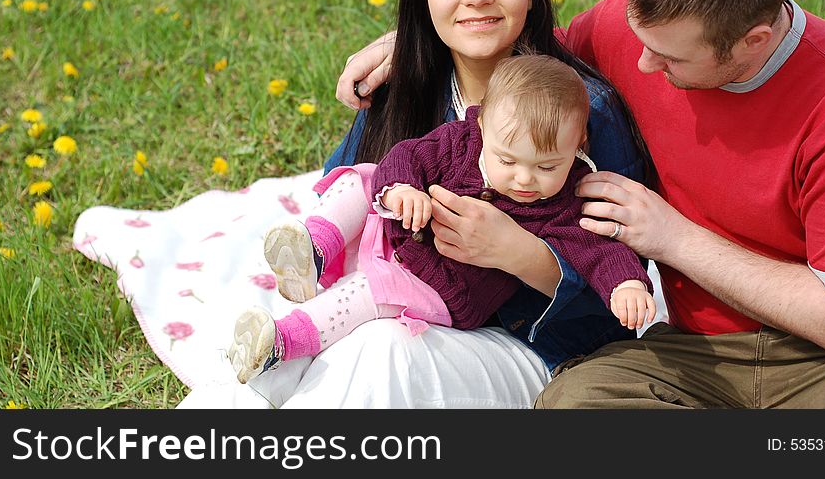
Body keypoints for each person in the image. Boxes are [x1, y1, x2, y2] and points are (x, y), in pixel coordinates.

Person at [342, 0, 825, 408]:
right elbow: (542, 67)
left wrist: (672, 236)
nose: (640, 63)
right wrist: (415, 40)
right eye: (638, 39)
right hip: (692, 349)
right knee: (574, 405)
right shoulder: (641, 25)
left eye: (668, 58)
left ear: (753, 42)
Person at [176, 0, 658, 408]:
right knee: (262, 371)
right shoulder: (404, 87)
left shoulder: (582, 113)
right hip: (392, 297)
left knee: (383, 352)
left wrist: (519, 254)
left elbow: (620, 295)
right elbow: (341, 205)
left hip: (524, 345)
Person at [227, 55, 654, 384]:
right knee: (365, 177)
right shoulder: (459, 141)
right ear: (483, 124)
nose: (525, 179)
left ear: (578, 145)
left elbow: (600, 252)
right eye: (507, 160)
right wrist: (402, 190)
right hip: (398, 233)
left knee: (363, 293)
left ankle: (279, 342)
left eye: (546, 167)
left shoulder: (562, 203)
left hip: (443, 289)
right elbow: (407, 155)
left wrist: (627, 283)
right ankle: (313, 250)